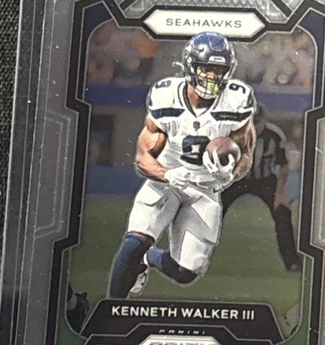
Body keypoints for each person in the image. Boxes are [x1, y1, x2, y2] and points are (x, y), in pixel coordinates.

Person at [107, 31, 255, 297]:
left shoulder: (236, 101)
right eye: (206, 68)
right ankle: (110, 309)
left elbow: (245, 153)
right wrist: (168, 174)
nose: (212, 76)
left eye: (218, 70)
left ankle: (148, 259)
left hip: (205, 190)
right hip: (166, 181)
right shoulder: (167, 97)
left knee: (185, 272)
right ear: (190, 66)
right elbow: (142, 158)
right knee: (133, 244)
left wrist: (230, 174)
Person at [221, 104, 303, 271]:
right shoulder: (233, 134)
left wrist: (280, 193)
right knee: (212, 211)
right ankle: (195, 256)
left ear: (263, 121)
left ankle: (292, 261)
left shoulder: (274, 136)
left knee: (282, 212)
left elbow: (283, 166)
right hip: (235, 179)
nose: (253, 127)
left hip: (264, 179)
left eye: (257, 123)